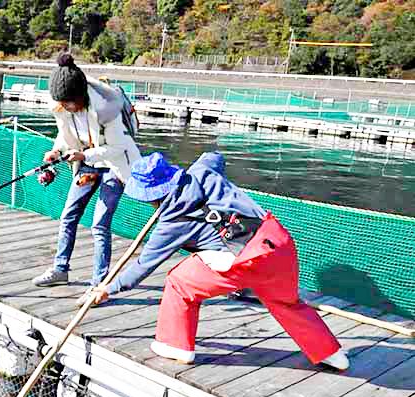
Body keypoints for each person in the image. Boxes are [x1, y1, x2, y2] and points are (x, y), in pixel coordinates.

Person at [89, 151, 349, 370]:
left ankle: (175, 345)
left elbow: (143, 266)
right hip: (278, 243)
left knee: (179, 282)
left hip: (245, 260)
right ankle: (331, 354)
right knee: (285, 302)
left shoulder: (171, 222)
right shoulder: (202, 170)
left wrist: (108, 289)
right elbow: (215, 157)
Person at [31, 54, 143, 307]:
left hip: (114, 167)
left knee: (99, 225)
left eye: (69, 102)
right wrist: (55, 152)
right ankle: (60, 270)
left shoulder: (107, 110)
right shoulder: (63, 108)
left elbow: (117, 147)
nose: (66, 107)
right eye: (62, 102)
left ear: (80, 96)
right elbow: (66, 135)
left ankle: (98, 286)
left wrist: (85, 154)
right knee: (68, 216)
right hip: (86, 165)